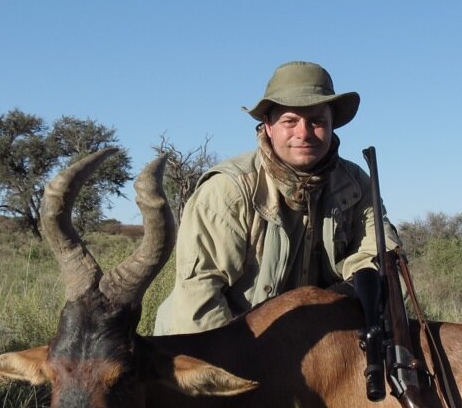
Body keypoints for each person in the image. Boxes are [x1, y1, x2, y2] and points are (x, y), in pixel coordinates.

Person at [154, 61, 398, 334]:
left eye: (317, 121)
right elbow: (198, 303)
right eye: (290, 121)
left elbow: (379, 257)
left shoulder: (355, 183)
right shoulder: (228, 190)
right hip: (222, 342)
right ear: (268, 126)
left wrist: (358, 284)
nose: (303, 133)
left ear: (332, 126)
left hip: (307, 342)